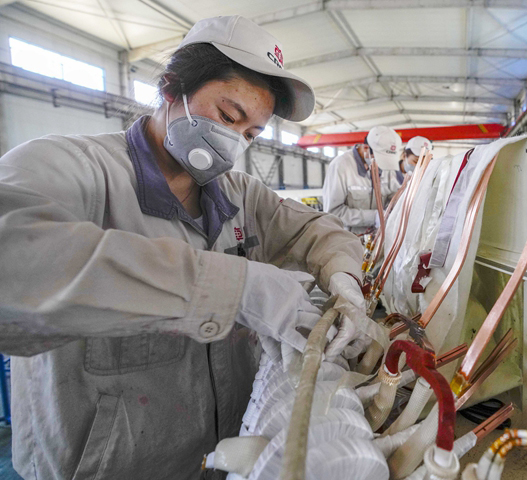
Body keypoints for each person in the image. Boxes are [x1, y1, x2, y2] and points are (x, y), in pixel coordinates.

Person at [0, 16, 370, 480]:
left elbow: (319, 230)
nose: (235, 143)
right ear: (172, 88)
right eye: (228, 116)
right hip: (114, 465)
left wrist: (343, 277)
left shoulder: (239, 194)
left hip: (224, 454)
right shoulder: (72, 169)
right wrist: (231, 288)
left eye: (251, 134)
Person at [322, 126, 402, 234]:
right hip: (349, 240)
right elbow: (333, 212)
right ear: (366, 148)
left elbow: (392, 195)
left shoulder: (387, 168)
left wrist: (397, 207)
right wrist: (374, 217)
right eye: (380, 160)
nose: (382, 166)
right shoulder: (340, 166)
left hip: (378, 238)